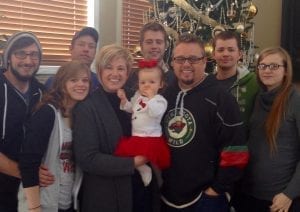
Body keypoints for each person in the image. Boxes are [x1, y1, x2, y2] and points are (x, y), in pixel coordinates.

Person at [161, 33, 249, 212]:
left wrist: (216, 189)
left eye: (193, 59)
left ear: (204, 61)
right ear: (172, 62)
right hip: (167, 196)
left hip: (206, 199)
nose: (186, 64)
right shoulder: (163, 98)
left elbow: (236, 150)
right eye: (180, 59)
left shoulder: (221, 98)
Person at [73, 44, 160, 212]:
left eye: (121, 68)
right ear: (99, 72)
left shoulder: (137, 98)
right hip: (108, 195)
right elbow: (87, 159)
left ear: (127, 73)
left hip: (142, 188)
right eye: (108, 68)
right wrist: (134, 162)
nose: (115, 74)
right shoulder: (87, 107)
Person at [233, 47, 300, 212]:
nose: (267, 70)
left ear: (285, 70)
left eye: (274, 66)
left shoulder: (295, 100)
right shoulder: (258, 98)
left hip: (280, 199)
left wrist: (289, 194)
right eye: (262, 66)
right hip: (249, 192)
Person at [18, 60, 90, 212]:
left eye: (85, 80)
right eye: (74, 80)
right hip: (43, 203)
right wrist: (34, 207)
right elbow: (28, 163)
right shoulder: (47, 113)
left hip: (67, 201)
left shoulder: (80, 116)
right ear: (62, 84)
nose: (81, 84)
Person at [0, 32, 44, 211]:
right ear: (8, 57)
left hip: (31, 190)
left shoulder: (41, 94)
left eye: (34, 55)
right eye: (20, 53)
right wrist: (27, 173)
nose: (28, 61)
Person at [115, 59, 170, 187]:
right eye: (143, 82)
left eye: (152, 82)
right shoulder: (137, 97)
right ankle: (143, 168)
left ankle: (160, 181)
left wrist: (150, 98)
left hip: (151, 138)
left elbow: (155, 112)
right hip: (137, 136)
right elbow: (131, 109)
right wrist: (124, 100)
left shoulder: (159, 100)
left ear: (160, 84)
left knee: (155, 162)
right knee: (126, 153)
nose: (146, 85)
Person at [210, 31, 259, 124]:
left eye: (231, 50)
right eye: (220, 50)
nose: (225, 54)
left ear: (239, 54)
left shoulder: (254, 82)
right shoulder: (206, 84)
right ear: (213, 54)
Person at [45, 27, 100, 91]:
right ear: (71, 49)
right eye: (81, 44)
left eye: (91, 46)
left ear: (95, 52)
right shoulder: (53, 82)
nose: (86, 49)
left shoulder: (100, 83)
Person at [125, 21, 175, 92]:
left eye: (159, 42)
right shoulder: (130, 79)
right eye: (149, 42)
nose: (154, 46)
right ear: (141, 46)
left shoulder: (175, 80)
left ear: (165, 46)